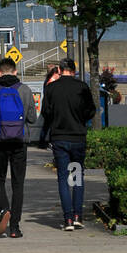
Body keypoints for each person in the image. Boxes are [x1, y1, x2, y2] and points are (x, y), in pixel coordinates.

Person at [0, 56, 37, 239]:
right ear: (15, 71)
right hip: (20, 141)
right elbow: (32, 119)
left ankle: (4, 209)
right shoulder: (25, 90)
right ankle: (14, 227)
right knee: (18, 183)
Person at [41, 58, 97, 230]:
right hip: (78, 137)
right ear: (74, 70)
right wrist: (80, 119)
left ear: (59, 69)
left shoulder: (51, 88)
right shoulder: (82, 87)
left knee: (63, 179)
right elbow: (91, 111)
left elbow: (46, 113)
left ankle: (68, 219)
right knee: (77, 177)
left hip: (59, 138)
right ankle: (78, 215)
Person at [36, 64, 61, 148]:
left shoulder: (47, 80)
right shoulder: (52, 81)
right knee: (50, 126)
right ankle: (48, 142)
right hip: (50, 107)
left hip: (46, 107)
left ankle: (42, 142)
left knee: (46, 126)